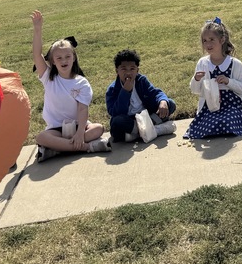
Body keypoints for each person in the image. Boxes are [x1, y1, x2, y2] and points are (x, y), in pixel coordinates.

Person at [31, 10, 110, 161]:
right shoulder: (48, 77)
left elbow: (82, 109)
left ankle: (58, 149)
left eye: (67, 56)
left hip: (78, 127)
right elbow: (36, 55)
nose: (63, 60)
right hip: (56, 129)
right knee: (41, 137)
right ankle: (87, 147)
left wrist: (80, 132)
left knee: (98, 128)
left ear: (74, 57)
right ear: (53, 61)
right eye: (59, 58)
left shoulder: (81, 82)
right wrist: (37, 29)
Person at [184, 18, 242, 139]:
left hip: (233, 105)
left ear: (222, 40)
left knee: (229, 119)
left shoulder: (234, 63)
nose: (208, 44)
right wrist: (196, 79)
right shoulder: (203, 63)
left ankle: (226, 126)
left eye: (211, 40)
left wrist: (228, 81)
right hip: (210, 106)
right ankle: (215, 127)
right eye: (204, 41)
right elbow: (196, 90)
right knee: (209, 121)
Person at [105, 49, 177, 143]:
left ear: (137, 70)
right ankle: (156, 130)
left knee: (170, 104)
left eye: (132, 69)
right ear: (117, 71)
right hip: (130, 121)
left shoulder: (141, 81)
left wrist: (163, 101)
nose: (128, 73)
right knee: (117, 122)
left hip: (147, 117)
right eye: (123, 69)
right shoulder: (112, 89)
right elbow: (114, 112)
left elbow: (155, 93)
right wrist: (125, 92)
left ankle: (137, 134)